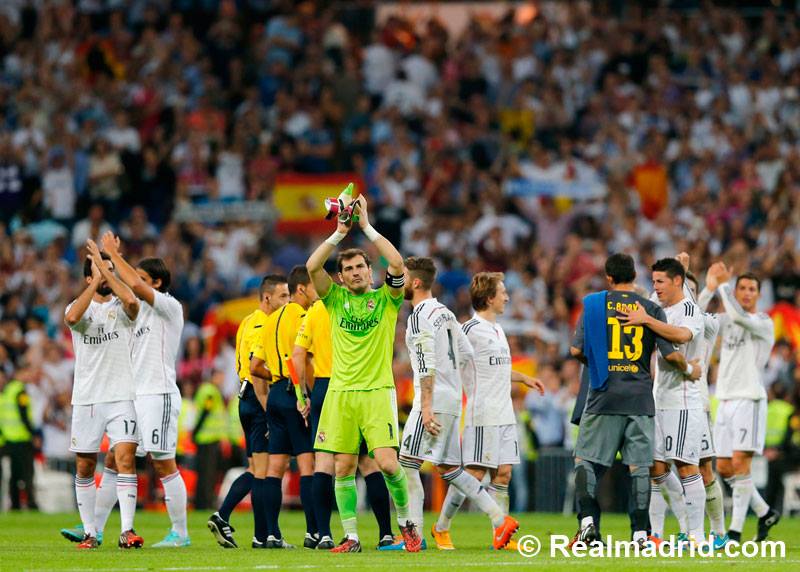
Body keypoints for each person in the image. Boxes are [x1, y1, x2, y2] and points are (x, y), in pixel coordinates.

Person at [305, 192, 420, 553]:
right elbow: (312, 267)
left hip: (376, 392)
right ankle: (351, 537)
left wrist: (366, 226)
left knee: (387, 463)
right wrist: (340, 233)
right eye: (349, 269)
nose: (355, 272)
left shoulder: (387, 299)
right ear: (340, 277)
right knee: (342, 467)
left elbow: (397, 263)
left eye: (360, 267)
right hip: (340, 393)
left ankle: (407, 524)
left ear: (370, 271)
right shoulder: (334, 300)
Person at [61, 234, 190, 547]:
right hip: (135, 394)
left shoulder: (168, 307)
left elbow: (133, 288)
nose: (132, 282)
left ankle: (180, 532)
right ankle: (96, 528)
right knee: (114, 461)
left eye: (142, 279)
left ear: (156, 283)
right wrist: (105, 269)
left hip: (158, 393)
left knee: (163, 461)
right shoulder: (135, 309)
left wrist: (110, 256)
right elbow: (125, 293)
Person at [568, 253, 699, 548]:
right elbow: (671, 355)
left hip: (603, 395)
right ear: (635, 276)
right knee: (639, 467)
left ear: (609, 278)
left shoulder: (593, 305)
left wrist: (602, 362)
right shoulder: (650, 309)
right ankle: (640, 534)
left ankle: (587, 525)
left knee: (585, 460)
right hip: (639, 397)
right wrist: (691, 369)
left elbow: (576, 351)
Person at [397, 260, 527, 552]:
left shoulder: (418, 316)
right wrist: (457, 388)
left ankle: (413, 536)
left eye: (402, 276)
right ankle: (498, 519)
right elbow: (466, 353)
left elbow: (426, 363)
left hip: (431, 399)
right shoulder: (446, 313)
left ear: (415, 282)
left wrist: (427, 406)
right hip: (453, 400)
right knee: (451, 469)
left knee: (407, 464)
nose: (398, 280)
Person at [430, 271, 544, 550]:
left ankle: (501, 536)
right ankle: (441, 527)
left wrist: (523, 378)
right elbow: (450, 362)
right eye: (503, 292)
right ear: (490, 298)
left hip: (505, 412)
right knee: (474, 474)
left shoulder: (498, 329)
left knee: (504, 473)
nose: (507, 297)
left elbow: (497, 369)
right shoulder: (470, 330)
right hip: (483, 412)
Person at [293, 292, 396, 551]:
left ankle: (324, 534)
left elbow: (298, 354)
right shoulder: (359, 305)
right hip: (359, 384)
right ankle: (386, 533)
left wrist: (302, 394)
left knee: (324, 463)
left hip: (326, 386)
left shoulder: (316, 310)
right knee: (369, 463)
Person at [64, 243, 141, 549]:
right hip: (87, 399)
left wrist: (107, 270)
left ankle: (127, 531)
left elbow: (132, 301)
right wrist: (97, 277)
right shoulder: (78, 307)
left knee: (125, 459)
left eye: (111, 271)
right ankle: (90, 533)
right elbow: (72, 318)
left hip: (122, 396)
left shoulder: (121, 308)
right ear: (88, 278)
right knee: (85, 466)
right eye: (99, 271)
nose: (107, 276)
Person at [698, 262, 780, 543]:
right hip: (725, 399)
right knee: (723, 467)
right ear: (736, 292)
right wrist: (710, 288)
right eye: (741, 288)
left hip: (750, 399)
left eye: (751, 289)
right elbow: (697, 317)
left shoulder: (764, 322)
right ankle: (765, 512)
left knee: (740, 464)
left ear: (759, 294)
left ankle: (734, 533)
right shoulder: (727, 319)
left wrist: (724, 285)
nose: (746, 293)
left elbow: (739, 316)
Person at [207, 275, 289, 548]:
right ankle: (231, 518)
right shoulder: (263, 325)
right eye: (283, 296)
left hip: (246, 398)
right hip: (258, 397)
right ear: (267, 297)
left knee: (257, 469)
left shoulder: (247, 321)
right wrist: (270, 412)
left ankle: (259, 535)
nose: (287, 301)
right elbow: (256, 371)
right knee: (263, 472)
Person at [636, 258, 707, 544]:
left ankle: (697, 536)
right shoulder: (659, 305)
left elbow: (681, 335)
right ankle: (667, 531)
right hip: (659, 397)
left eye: (660, 281)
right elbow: (644, 310)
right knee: (656, 469)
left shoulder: (690, 310)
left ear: (678, 281)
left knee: (686, 465)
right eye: (653, 281)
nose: (655, 287)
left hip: (684, 399)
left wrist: (648, 320)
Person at [249, 265, 317, 549]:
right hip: (294, 393)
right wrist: (306, 393)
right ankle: (314, 532)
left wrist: (277, 378)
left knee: (274, 469)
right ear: (301, 289)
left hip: (275, 394)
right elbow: (305, 360)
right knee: (308, 465)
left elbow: (255, 367)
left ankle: (271, 534)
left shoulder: (269, 321)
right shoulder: (302, 316)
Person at [684, 270, 727, 548]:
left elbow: (693, 316)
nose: (685, 295)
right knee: (664, 471)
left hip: (697, 405)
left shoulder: (707, 321)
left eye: (690, 290)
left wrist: (709, 290)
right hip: (666, 403)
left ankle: (719, 533)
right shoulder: (666, 318)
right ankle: (687, 530)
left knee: (703, 470)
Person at [0, 365, 39, 510]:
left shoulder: (6, 391)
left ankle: (15, 504)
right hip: (22, 439)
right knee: (27, 474)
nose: (29, 376)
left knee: (14, 475)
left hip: (8, 439)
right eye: (27, 372)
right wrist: (33, 434)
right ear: (20, 373)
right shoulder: (19, 391)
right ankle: (31, 503)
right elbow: (23, 415)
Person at [193, 369, 227, 510]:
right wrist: (195, 431)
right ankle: (205, 502)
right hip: (207, 438)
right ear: (213, 377)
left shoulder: (207, 390)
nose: (222, 380)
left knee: (204, 472)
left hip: (206, 438)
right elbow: (206, 412)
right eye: (219, 377)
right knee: (207, 473)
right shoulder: (210, 391)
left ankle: (201, 502)